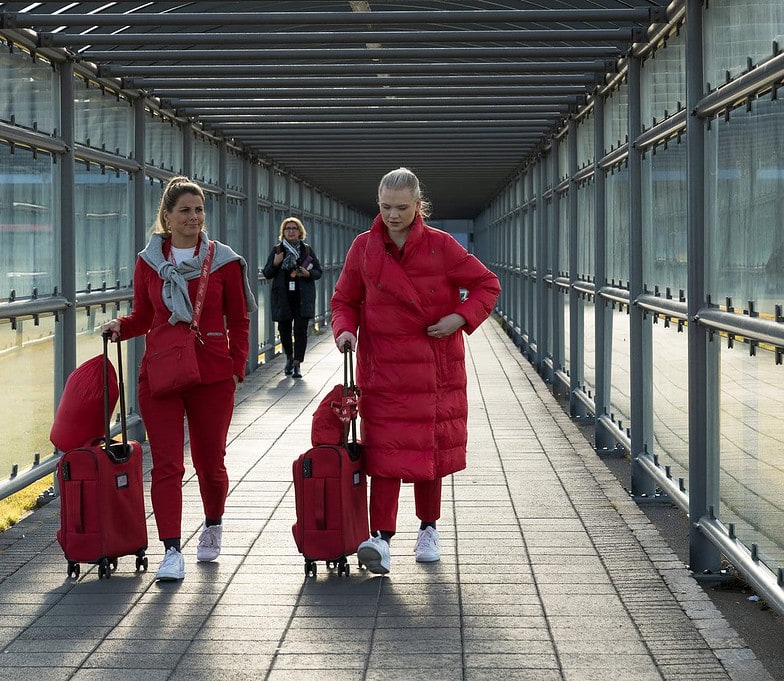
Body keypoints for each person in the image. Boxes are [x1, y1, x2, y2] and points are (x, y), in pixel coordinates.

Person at [330, 167, 501, 575]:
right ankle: (381, 539)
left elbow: (487, 285)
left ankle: (428, 528)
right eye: (386, 207)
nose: (392, 215)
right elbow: (344, 300)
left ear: (418, 204)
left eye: (402, 208)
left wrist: (458, 319)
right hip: (384, 368)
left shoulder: (442, 247)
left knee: (429, 453)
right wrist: (344, 332)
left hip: (432, 367)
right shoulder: (363, 248)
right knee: (385, 454)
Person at [101, 176, 257, 582]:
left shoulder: (223, 261)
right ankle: (171, 549)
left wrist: (237, 368)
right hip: (162, 375)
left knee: (210, 461)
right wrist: (120, 325)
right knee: (166, 465)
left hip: (212, 376)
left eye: (199, 210)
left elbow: (239, 321)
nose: (194, 217)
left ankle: (213, 523)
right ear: (167, 217)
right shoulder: (149, 262)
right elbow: (143, 317)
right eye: (185, 211)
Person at [262, 217, 323, 379]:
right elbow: (267, 273)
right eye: (287, 228)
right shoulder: (278, 250)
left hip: (303, 298)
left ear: (299, 231)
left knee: (300, 330)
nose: (290, 231)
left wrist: (308, 273)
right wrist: (275, 263)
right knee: (284, 330)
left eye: (294, 228)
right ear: (283, 232)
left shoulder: (306, 250)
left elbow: (318, 272)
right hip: (283, 298)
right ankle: (289, 357)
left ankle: (297, 363)